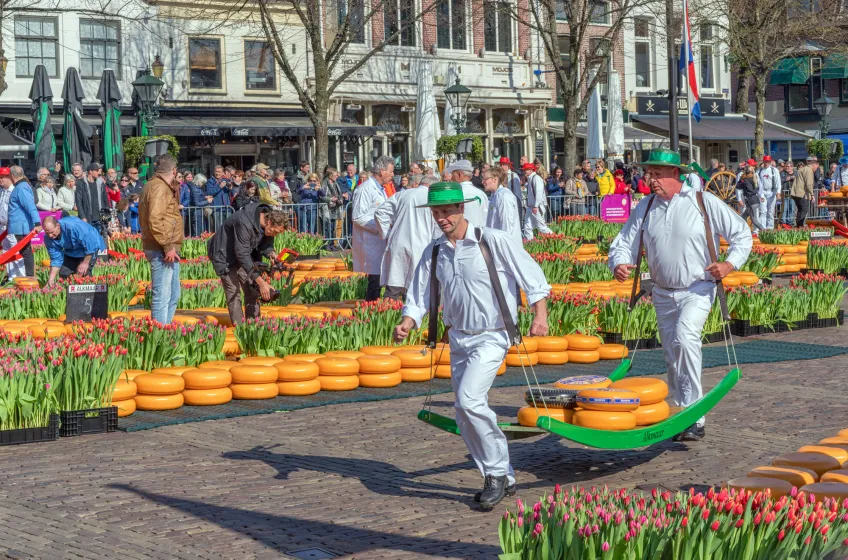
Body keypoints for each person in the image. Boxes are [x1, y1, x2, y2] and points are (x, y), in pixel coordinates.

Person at [393, 181, 551, 510]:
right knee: (463, 414)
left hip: (494, 335)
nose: (442, 218)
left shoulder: (492, 240)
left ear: (461, 209)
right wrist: (409, 320)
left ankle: (494, 475)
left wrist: (540, 315)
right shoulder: (434, 250)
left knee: (469, 400)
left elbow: (531, 276)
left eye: (447, 211)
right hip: (459, 336)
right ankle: (503, 475)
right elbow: (419, 292)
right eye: (436, 212)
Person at [609, 148, 752, 442]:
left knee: (686, 338)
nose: (651, 180)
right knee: (672, 352)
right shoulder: (646, 206)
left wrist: (728, 263)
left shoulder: (702, 201)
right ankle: (679, 409)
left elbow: (741, 234)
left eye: (657, 175)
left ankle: (694, 416)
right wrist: (619, 262)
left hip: (698, 288)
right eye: (649, 174)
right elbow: (624, 241)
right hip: (662, 292)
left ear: (675, 175)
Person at [208, 203, 288, 325]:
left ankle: (253, 326)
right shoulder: (244, 222)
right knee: (234, 293)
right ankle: (240, 329)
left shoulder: (267, 221)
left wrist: (272, 253)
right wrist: (261, 282)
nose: (274, 235)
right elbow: (242, 254)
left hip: (243, 254)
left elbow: (266, 244)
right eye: (275, 232)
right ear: (269, 222)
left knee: (252, 290)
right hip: (224, 255)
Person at [374, 175, 440, 301]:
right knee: (417, 288)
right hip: (422, 244)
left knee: (394, 283)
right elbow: (437, 226)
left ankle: (386, 315)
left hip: (399, 242)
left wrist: (386, 233)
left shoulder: (403, 194)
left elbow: (380, 212)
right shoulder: (432, 197)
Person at [139, 154, 184, 324]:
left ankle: (165, 330)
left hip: (165, 245)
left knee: (172, 294)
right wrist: (167, 246)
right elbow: (155, 219)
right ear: (174, 170)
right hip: (161, 247)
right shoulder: (158, 187)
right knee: (163, 295)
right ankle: (159, 334)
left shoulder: (156, 185)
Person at [353, 155, 392, 301]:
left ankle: (374, 308)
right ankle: (370, 310)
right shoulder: (365, 189)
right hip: (370, 241)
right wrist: (380, 228)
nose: (392, 175)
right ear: (382, 171)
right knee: (374, 281)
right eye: (391, 171)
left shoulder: (380, 189)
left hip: (380, 241)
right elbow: (358, 216)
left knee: (379, 280)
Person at [42, 215, 105, 286]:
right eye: (47, 233)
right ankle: (68, 295)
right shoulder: (48, 238)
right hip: (72, 250)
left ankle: (86, 295)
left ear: (58, 226)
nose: (50, 235)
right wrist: (51, 279)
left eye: (52, 232)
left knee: (83, 273)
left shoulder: (74, 226)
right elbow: (56, 259)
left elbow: (90, 244)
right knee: (64, 273)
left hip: (90, 245)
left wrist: (85, 263)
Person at [5, 166, 42, 276]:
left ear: (11, 176)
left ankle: (29, 277)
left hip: (22, 226)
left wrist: (37, 223)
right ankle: (28, 276)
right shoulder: (21, 186)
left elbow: (30, 206)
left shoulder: (21, 188)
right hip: (18, 225)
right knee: (24, 252)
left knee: (26, 252)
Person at [484, 166, 522, 247]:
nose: (483, 182)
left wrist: (503, 246)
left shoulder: (504, 195)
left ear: (494, 179)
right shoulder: (494, 195)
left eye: (485, 179)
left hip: (506, 247)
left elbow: (507, 225)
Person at [445, 159, 489, 227]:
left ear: (459, 175)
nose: (451, 178)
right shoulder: (481, 194)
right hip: (481, 234)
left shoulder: (456, 194)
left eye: (452, 175)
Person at [0, 167, 27, 277]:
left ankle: (21, 276)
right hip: (2, 226)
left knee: (16, 251)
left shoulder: (15, 190)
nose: (0, 180)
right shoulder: (2, 191)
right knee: (7, 252)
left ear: (10, 177)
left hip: (12, 226)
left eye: (3, 177)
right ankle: (12, 277)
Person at [522, 162, 552, 240]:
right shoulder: (531, 178)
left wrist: (536, 205)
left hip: (536, 207)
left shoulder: (536, 178)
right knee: (527, 227)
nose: (524, 171)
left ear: (531, 170)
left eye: (526, 170)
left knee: (541, 227)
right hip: (531, 207)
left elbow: (538, 192)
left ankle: (556, 239)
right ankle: (529, 244)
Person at [75, 163, 108, 231]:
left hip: (100, 219)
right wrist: (83, 217)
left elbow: (105, 200)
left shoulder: (101, 183)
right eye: (96, 170)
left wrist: (107, 217)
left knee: (100, 239)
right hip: (87, 218)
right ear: (90, 171)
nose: (98, 172)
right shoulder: (81, 183)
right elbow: (78, 202)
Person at [737, 162, 767, 233]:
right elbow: (759, 188)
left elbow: (738, 186)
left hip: (751, 202)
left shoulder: (745, 180)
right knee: (744, 216)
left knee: (754, 220)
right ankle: (742, 231)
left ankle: (764, 231)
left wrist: (741, 178)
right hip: (755, 201)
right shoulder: (754, 177)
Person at [320, 167, 345, 247]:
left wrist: (340, 198)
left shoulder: (336, 184)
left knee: (333, 227)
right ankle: (326, 244)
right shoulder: (324, 183)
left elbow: (339, 194)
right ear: (330, 176)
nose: (337, 176)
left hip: (335, 209)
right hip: (326, 209)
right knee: (327, 227)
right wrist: (330, 199)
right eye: (335, 175)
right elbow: (321, 196)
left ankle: (332, 244)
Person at [791, 156, 816, 227]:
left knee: (800, 210)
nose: (816, 168)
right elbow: (809, 184)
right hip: (802, 193)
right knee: (804, 210)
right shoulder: (809, 170)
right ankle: (800, 226)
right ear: (813, 165)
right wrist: (812, 194)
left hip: (796, 193)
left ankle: (798, 226)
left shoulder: (801, 169)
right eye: (816, 166)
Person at [758, 155, 780, 230]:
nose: (766, 163)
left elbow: (778, 182)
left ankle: (770, 228)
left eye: (768, 161)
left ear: (770, 162)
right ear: (763, 162)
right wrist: (760, 194)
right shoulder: (759, 171)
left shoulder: (774, 170)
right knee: (763, 211)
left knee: (770, 212)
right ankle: (763, 228)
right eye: (765, 161)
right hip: (762, 193)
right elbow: (758, 183)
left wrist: (778, 192)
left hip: (772, 192)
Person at [780, 161, 796, 225]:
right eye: (786, 166)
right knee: (784, 208)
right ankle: (784, 222)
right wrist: (787, 178)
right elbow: (781, 180)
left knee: (792, 208)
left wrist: (793, 178)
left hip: (792, 194)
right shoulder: (782, 173)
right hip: (785, 193)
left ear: (792, 167)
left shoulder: (796, 173)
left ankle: (791, 222)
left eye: (788, 166)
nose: (787, 168)